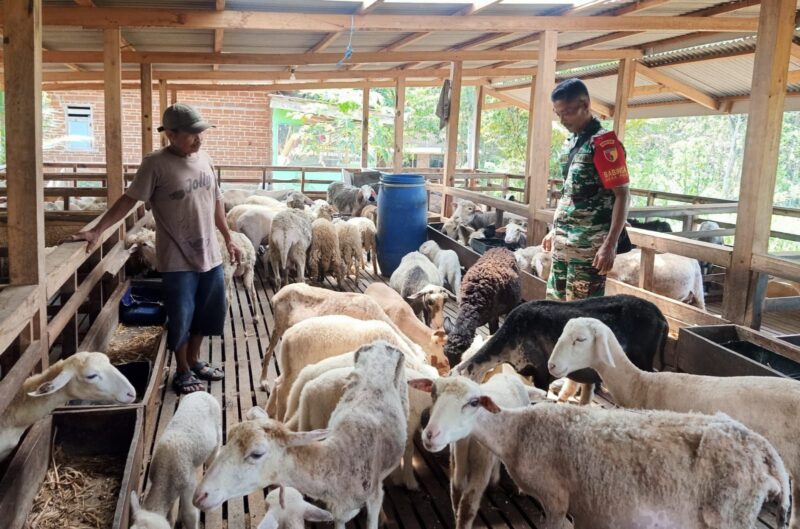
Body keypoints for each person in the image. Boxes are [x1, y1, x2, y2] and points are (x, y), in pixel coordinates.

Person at [66, 103, 241, 394]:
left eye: (201, 132)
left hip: (210, 253)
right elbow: (129, 200)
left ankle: (194, 360)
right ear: (170, 134)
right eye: (191, 134)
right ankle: (182, 370)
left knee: (208, 311)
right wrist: (97, 230)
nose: (199, 139)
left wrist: (228, 237)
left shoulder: (205, 158)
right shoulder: (155, 164)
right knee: (182, 314)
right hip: (177, 257)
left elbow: (217, 201)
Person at [542, 79, 630, 301]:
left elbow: (622, 195)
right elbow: (569, 192)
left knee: (581, 311)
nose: (563, 120)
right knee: (554, 307)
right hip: (563, 243)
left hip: (589, 247)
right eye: (558, 114)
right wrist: (555, 230)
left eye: (568, 113)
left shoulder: (604, 144)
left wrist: (610, 244)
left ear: (585, 105)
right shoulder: (570, 143)